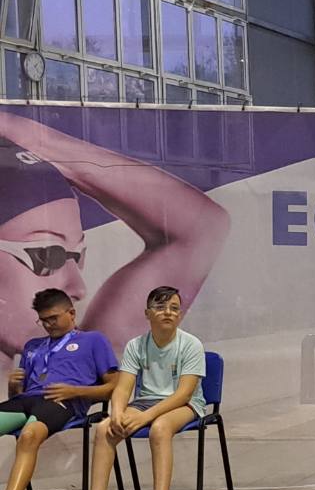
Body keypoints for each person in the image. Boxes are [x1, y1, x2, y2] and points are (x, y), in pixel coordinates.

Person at [0, 111, 229, 361]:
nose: (78, 288)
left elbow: (202, 227)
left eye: (77, 257)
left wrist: (35, 139)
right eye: (45, 255)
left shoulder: (81, 357)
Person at [66, 286, 207, 490]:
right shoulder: (136, 345)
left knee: (160, 428)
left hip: (183, 405)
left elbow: (183, 394)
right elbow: (122, 389)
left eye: (174, 308)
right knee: (104, 428)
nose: (168, 313)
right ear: (147, 313)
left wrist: (145, 416)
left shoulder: (191, 344)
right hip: (145, 402)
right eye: (161, 307)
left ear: (181, 315)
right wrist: (117, 412)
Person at [0, 289, 119, 490]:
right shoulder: (33, 346)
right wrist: (13, 386)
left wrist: (76, 390)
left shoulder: (93, 340)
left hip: (64, 402)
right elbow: (18, 397)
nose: (48, 324)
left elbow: (114, 387)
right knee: (24, 425)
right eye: (43, 320)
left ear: (71, 313)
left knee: (29, 436)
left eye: (53, 318)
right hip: (27, 400)